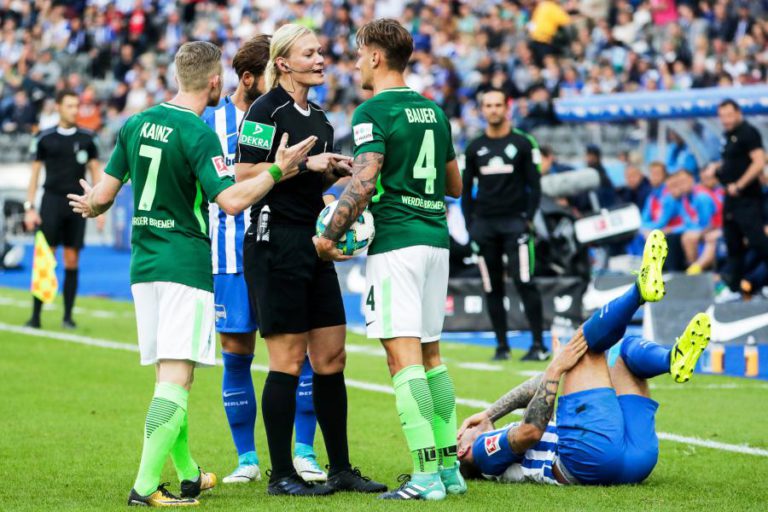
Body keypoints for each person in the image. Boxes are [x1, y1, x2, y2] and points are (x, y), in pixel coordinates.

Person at [67, 41, 317, 507]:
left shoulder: (136, 123)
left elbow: (101, 198)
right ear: (215, 81)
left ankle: (186, 472)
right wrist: (280, 170)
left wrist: (90, 202)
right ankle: (144, 488)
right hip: (184, 265)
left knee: (172, 375)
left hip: (144, 268)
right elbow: (232, 201)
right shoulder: (199, 133)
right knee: (176, 378)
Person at [315, 18, 465, 501]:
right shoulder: (434, 112)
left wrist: (329, 236)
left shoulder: (372, 111)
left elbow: (362, 185)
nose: (357, 62)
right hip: (435, 239)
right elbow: (455, 186)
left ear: (376, 56)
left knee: (403, 361)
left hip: (397, 243)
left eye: (360, 54)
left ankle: (424, 476)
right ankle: (448, 470)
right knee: (431, 356)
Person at [235, 24, 385, 497]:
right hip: (272, 240)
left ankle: (339, 467)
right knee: (286, 359)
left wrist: (332, 170)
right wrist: (303, 165)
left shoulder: (320, 119)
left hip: (312, 242)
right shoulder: (265, 109)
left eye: (321, 52)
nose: (321, 59)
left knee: (331, 356)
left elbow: (307, 182)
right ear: (283, 63)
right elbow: (242, 172)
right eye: (310, 53)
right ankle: (281, 475)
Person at [457, 230, 711, 486]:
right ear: (461, 450)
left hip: (633, 459)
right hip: (587, 460)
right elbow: (530, 432)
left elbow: (542, 386)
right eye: (459, 434)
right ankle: (638, 293)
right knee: (585, 347)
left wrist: (490, 413)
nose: (462, 429)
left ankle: (672, 360)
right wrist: (557, 367)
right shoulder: (480, 452)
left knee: (620, 352)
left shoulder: (493, 445)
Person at [200, 35, 325, 485]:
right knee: (237, 353)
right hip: (229, 253)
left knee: (300, 352)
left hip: (281, 248)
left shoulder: (289, 114)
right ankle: (248, 458)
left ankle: (305, 452)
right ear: (250, 78)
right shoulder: (211, 122)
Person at [462, 88, 547, 362]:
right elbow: (465, 191)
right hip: (485, 225)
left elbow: (535, 187)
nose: (494, 109)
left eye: (498, 104)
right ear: (482, 110)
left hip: (515, 223)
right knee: (492, 286)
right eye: (488, 105)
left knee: (524, 281)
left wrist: (528, 220)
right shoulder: (474, 147)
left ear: (506, 107)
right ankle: (502, 346)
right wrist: (471, 225)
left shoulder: (524, 143)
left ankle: (537, 345)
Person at [24, 89, 103, 329]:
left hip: (76, 205)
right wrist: (30, 207)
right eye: (69, 105)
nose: (74, 110)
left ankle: (68, 316)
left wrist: (100, 206)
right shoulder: (44, 138)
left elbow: (96, 172)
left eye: (76, 105)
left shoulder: (88, 139)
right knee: (45, 260)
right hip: (50, 202)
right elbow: (35, 175)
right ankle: (35, 316)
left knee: (71, 260)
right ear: (58, 106)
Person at [706, 99, 768, 292]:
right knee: (732, 243)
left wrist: (739, 185)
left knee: (758, 242)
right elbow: (732, 163)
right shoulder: (728, 136)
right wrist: (716, 169)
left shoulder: (748, 132)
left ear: (738, 113)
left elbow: (759, 162)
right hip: (731, 200)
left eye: (729, 115)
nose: (725, 119)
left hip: (747, 198)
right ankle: (733, 289)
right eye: (722, 116)